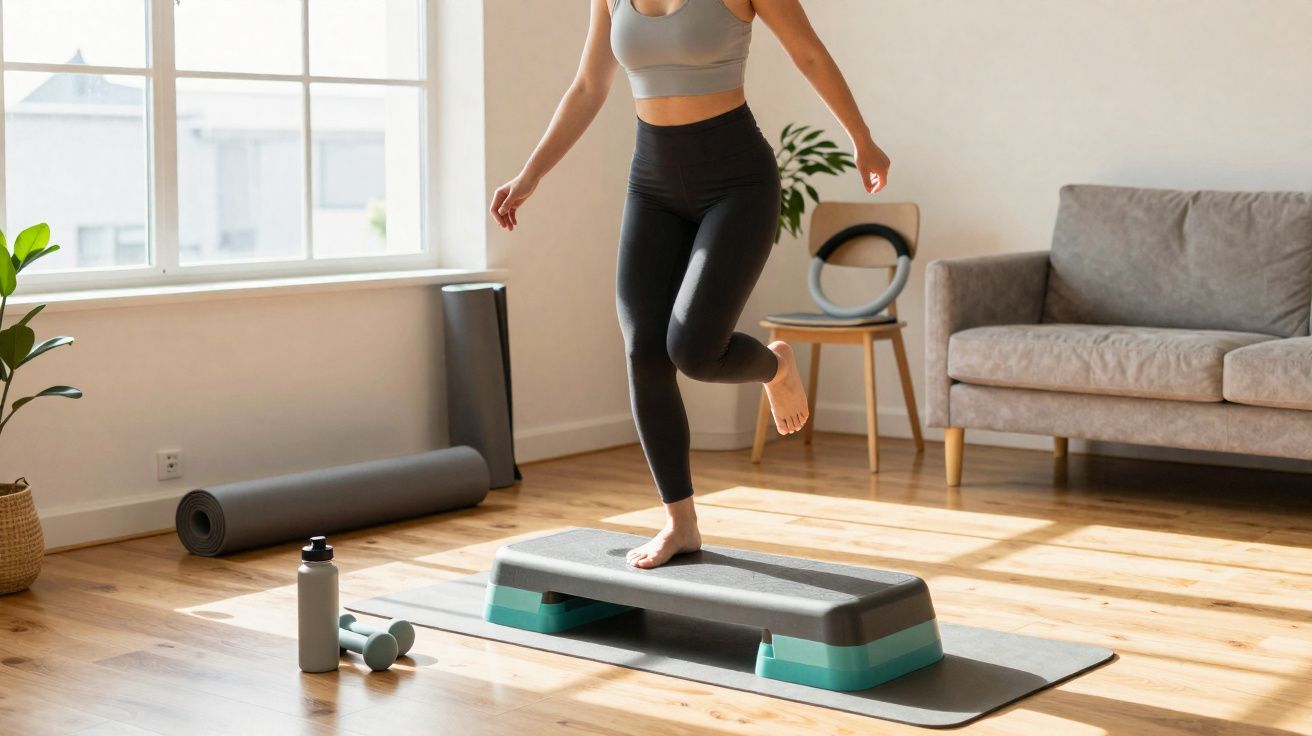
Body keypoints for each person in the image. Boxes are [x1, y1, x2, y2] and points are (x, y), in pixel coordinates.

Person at [490, 0, 889, 568]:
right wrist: (529, 175)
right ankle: (681, 523)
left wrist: (862, 137)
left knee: (695, 350)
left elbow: (808, 53)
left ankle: (774, 367)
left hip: (738, 183)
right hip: (652, 183)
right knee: (643, 349)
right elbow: (587, 86)